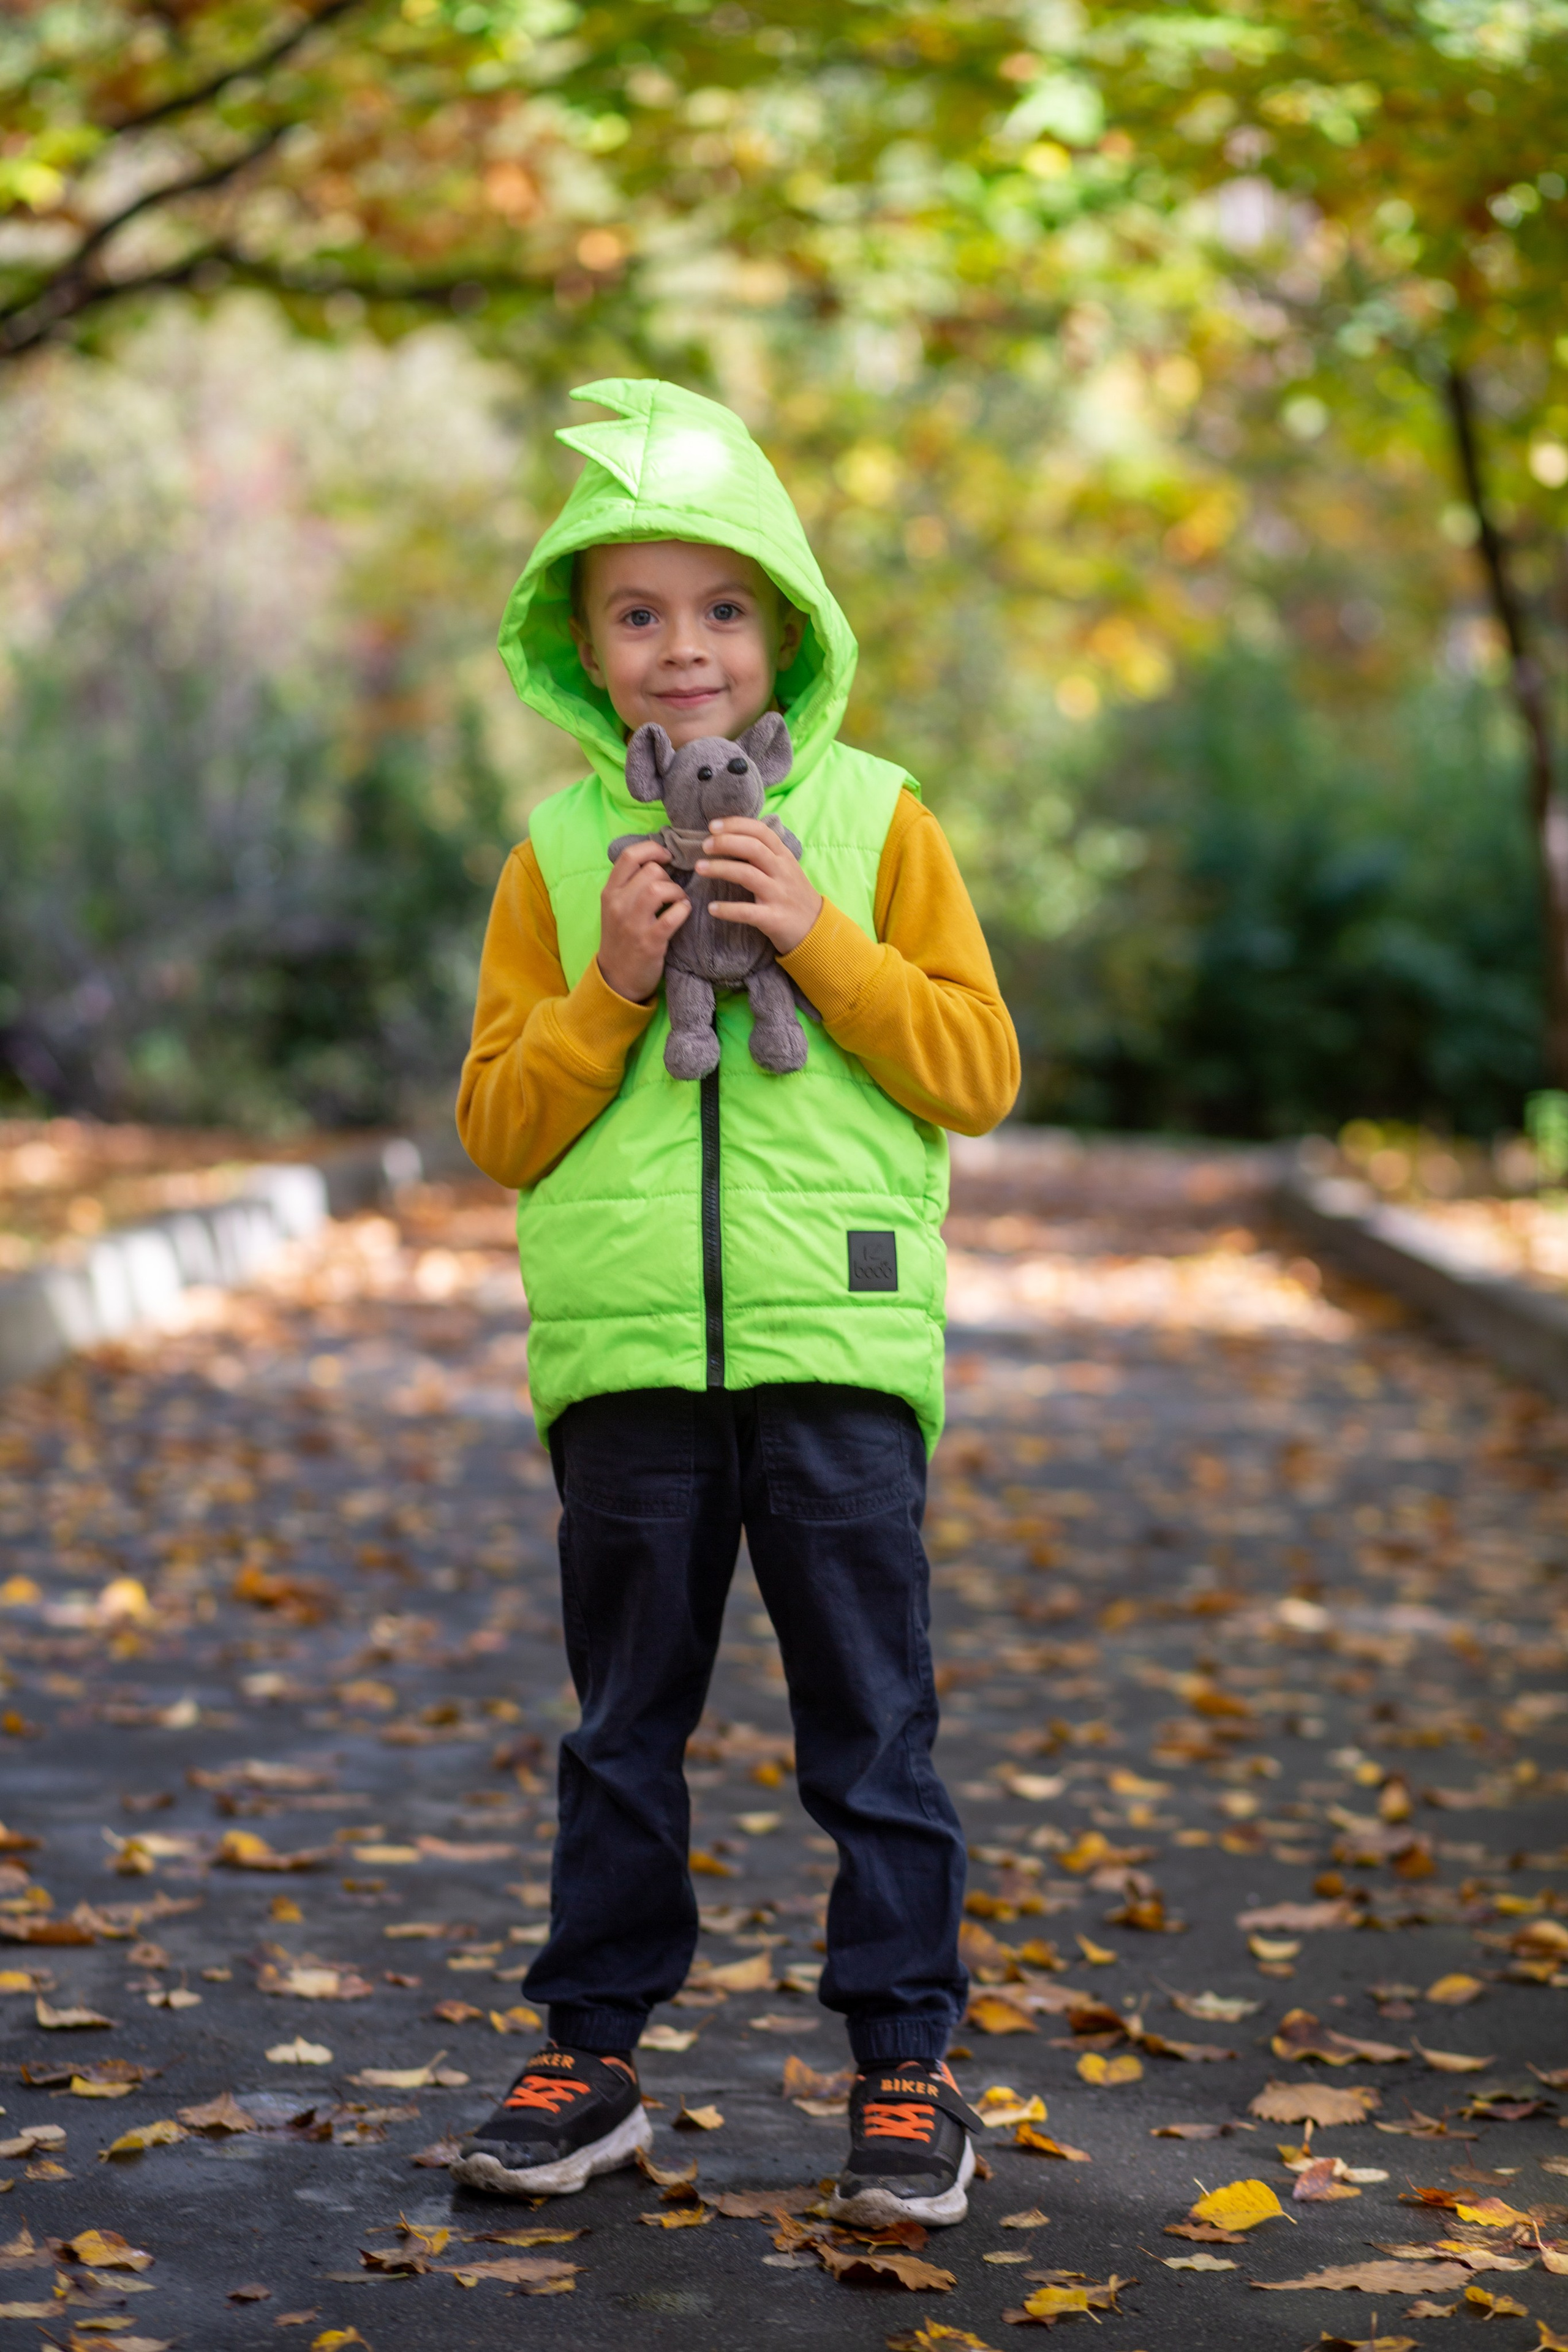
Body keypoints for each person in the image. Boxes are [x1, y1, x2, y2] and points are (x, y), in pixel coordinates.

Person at [453, 379, 1019, 2227]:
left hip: (839, 1347)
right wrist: (612, 986)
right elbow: (496, 1124)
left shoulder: (876, 816)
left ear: (784, 626)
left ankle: (905, 2067)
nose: (681, 648)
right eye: (637, 612)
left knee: (872, 1722)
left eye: (719, 608)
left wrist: (822, 943)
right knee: (626, 1723)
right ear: (584, 646)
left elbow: (975, 1067)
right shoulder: (553, 859)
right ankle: (590, 2053)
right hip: (625, 1363)